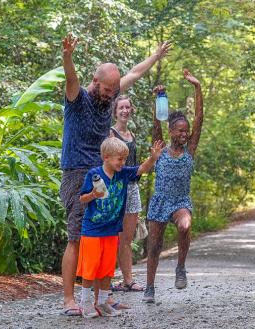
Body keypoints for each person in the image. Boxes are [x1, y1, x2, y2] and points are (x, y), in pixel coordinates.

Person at [59, 32, 170, 315]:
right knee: (77, 236)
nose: (111, 95)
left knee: (106, 232)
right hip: (76, 173)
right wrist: (67, 56)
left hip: (104, 172)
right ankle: (70, 300)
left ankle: (102, 297)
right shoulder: (78, 99)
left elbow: (134, 72)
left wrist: (156, 56)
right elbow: (71, 79)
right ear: (96, 82)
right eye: (107, 90)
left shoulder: (111, 96)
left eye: (113, 91)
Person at [76, 137, 163, 318]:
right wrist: (93, 194)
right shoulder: (94, 174)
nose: (122, 163)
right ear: (106, 157)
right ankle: (85, 302)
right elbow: (82, 198)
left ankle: (102, 303)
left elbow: (141, 169)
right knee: (91, 267)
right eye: (119, 159)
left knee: (107, 268)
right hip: (92, 230)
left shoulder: (122, 173)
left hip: (111, 230)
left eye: (124, 159)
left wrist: (153, 159)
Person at [143, 69, 204, 303]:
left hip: (180, 201)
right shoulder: (160, 149)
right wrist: (158, 98)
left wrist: (197, 88)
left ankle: (180, 267)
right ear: (171, 132)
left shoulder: (190, 149)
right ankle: (149, 288)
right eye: (180, 130)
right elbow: (156, 123)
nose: (185, 134)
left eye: (186, 131)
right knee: (155, 246)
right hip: (160, 200)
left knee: (185, 225)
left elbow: (199, 119)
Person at [109, 96, 145, 293]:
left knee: (126, 239)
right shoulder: (111, 133)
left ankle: (128, 280)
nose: (125, 110)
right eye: (121, 107)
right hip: (116, 188)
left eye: (127, 107)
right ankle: (104, 279)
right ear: (115, 111)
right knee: (112, 236)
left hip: (132, 187)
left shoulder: (132, 134)